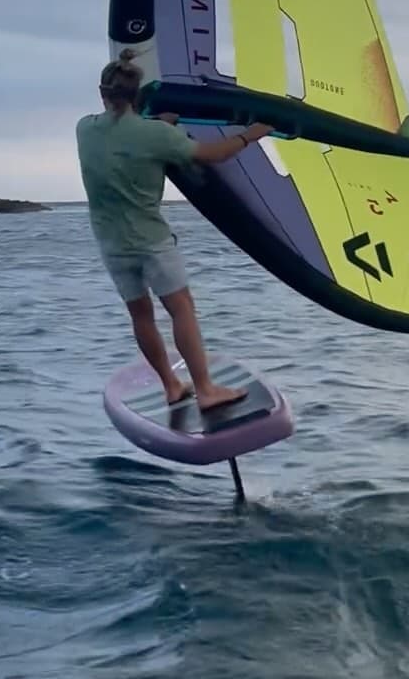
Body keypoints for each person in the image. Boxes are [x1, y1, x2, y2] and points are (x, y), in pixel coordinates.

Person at [76, 48, 272, 411]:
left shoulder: (85, 129)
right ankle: (206, 390)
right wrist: (253, 133)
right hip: (151, 241)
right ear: (138, 96)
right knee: (181, 308)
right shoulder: (155, 136)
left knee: (141, 315)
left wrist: (160, 125)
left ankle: (170, 385)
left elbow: (130, 140)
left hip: (111, 244)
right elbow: (213, 154)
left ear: (102, 94)